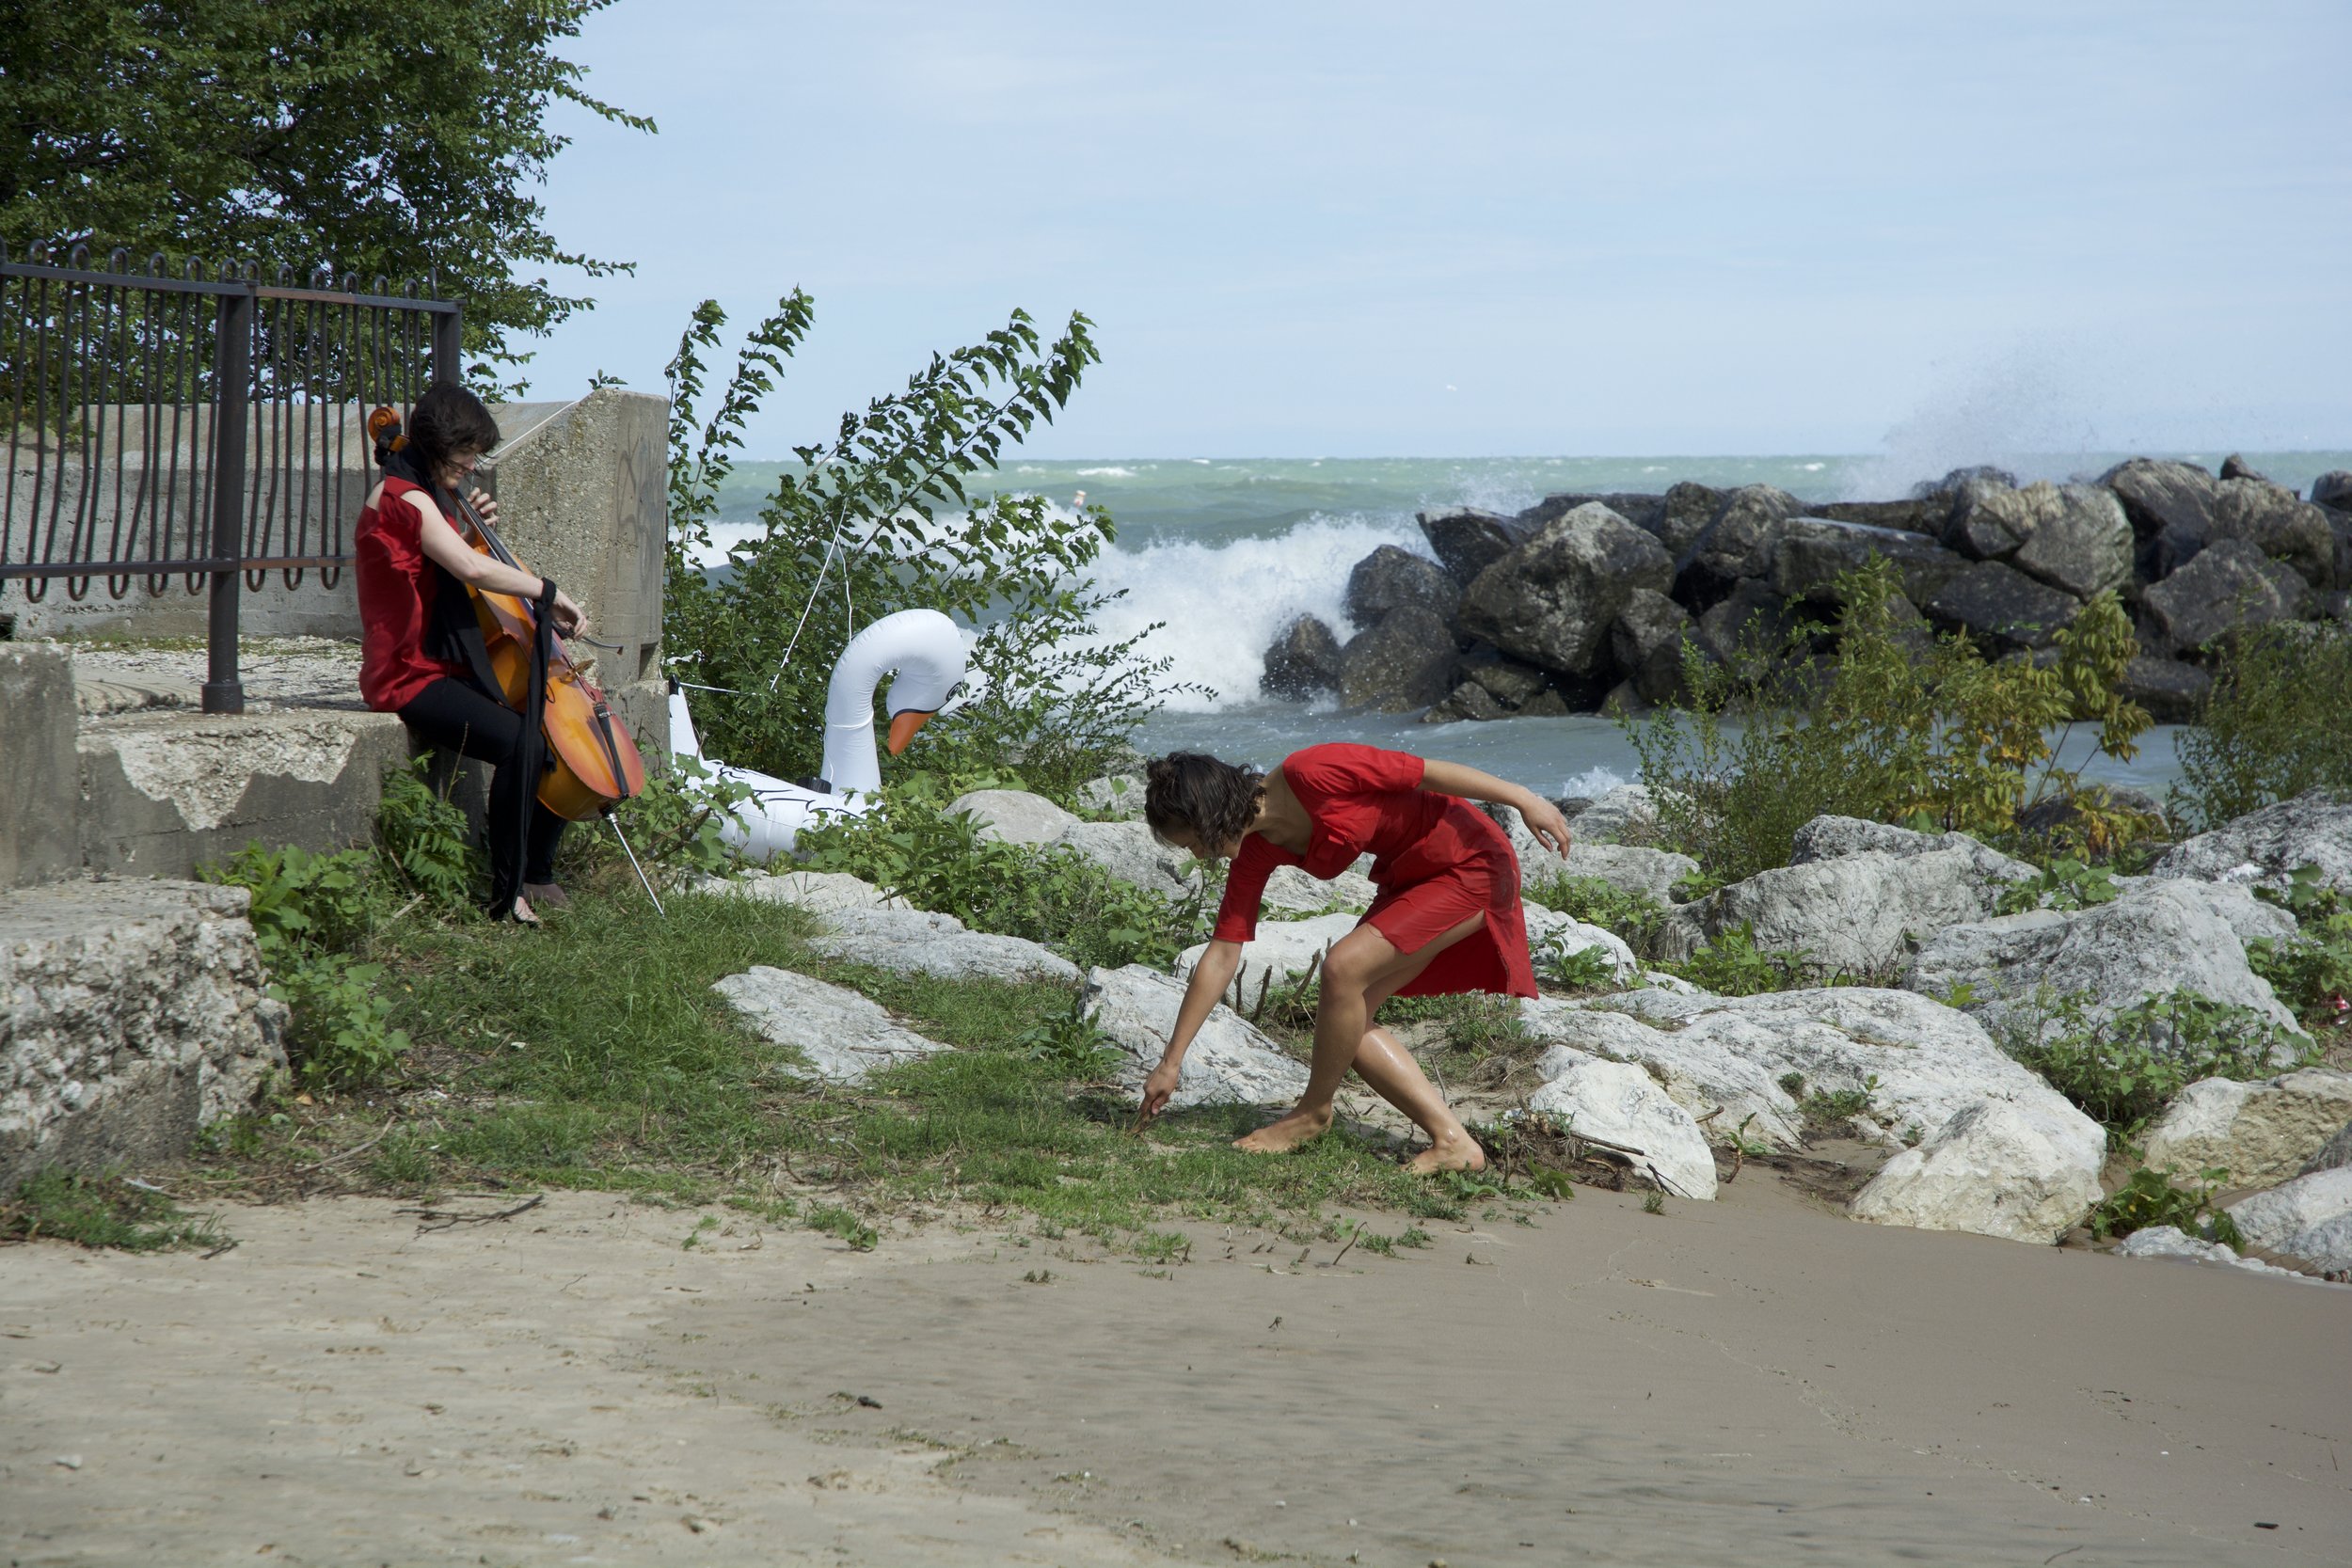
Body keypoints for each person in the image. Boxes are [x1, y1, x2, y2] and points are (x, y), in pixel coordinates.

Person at [1136, 744, 1572, 1172]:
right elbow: (1223, 953)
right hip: (1414, 880)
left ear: (1210, 816)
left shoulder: (1313, 770)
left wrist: (1523, 798)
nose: (1197, 855)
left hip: (1472, 862)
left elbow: (1427, 771)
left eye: (1194, 841)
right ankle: (1454, 1143)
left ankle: (1312, 1114)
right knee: (1348, 1014)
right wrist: (1170, 1062)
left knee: (1342, 968)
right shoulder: (1255, 850)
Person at [355, 383, 588, 924]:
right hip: (407, 674)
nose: (473, 466)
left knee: (545, 736)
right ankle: (507, 896)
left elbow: (450, 562)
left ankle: (534, 871)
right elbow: (471, 571)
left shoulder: (422, 493)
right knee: (519, 745)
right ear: (438, 447)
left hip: (440, 662)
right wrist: (547, 591)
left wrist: (469, 525)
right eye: (466, 454)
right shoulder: (403, 497)